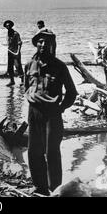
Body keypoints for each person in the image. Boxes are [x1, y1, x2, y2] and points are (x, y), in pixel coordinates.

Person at [24, 28, 77, 196]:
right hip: (33, 113)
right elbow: (26, 87)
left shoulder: (59, 67)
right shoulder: (28, 64)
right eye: (40, 41)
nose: (43, 44)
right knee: (34, 152)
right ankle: (39, 187)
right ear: (36, 43)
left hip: (52, 115)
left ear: (53, 45)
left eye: (47, 42)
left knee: (52, 152)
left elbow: (71, 92)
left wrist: (60, 108)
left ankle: (55, 189)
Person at [3, 20, 24, 86]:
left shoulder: (16, 33)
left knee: (18, 66)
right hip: (9, 52)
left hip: (15, 53)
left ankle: (23, 81)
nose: (7, 27)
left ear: (11, 26)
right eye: (6, 26)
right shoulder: (8, 33)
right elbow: (9, 43)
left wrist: (18, 52)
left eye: (9, 25)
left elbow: (20, 43)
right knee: (10, 67)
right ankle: (12, 81)